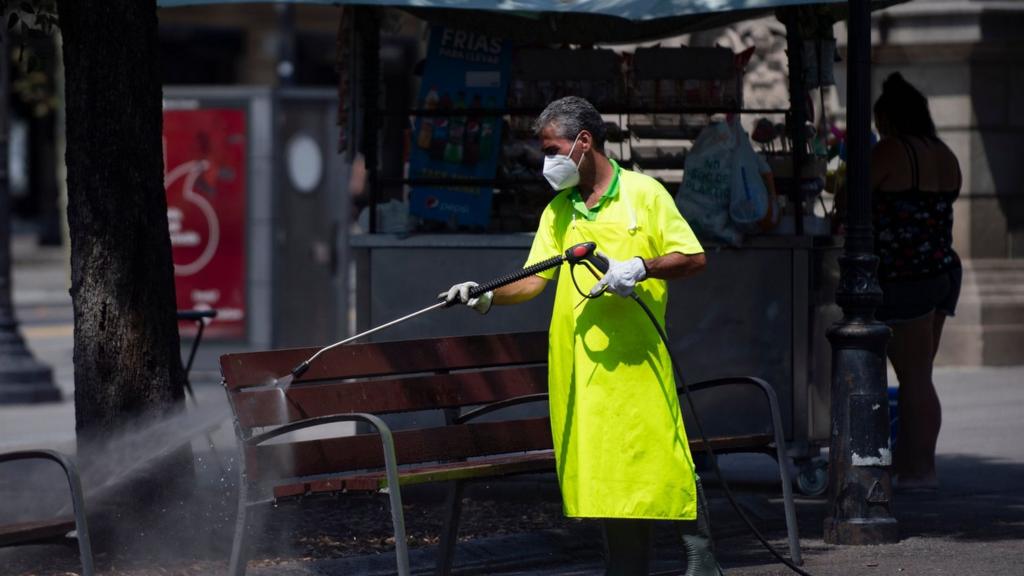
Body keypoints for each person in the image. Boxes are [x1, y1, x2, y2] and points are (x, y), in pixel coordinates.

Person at [442, 96, 719, 575]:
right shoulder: (559, 212)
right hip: (582, 369)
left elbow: (693, 258)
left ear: (583, 142)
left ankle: (701, 557)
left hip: (638, 362)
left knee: (662, 457)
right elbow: (533, 279)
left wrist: (641, 266)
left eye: (553, 149)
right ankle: (625, 567)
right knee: (609, 473)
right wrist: (485, 295)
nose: (547, 162)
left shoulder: (644, 195)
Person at [871, 73, 962, 490]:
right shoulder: (945, 154)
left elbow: (852, 201)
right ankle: (915, 464)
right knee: (919, 373)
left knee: (913, 376)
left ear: (888, 118)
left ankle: (918, 468)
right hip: (942, 269)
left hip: (905, 274)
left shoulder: (892, 150)